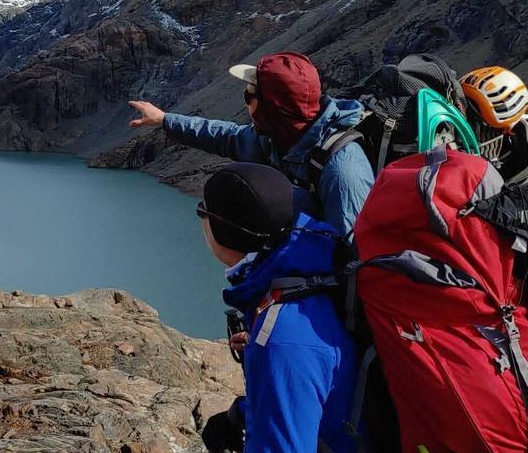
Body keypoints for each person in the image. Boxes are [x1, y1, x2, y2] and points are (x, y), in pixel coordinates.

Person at [199, 162, 363, 453]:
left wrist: (268, 348)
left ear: (222, 228)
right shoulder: (313, 262)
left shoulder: (281, 338)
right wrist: (243, 413)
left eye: (203, 211)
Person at [129, 51, 373, 235]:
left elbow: (353, 256)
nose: (245, 104)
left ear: (272, 107)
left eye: (249, 96)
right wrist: (164, 120)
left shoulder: (343, 171)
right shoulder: (278, 137)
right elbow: (224, 136)